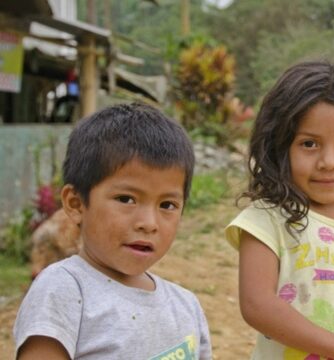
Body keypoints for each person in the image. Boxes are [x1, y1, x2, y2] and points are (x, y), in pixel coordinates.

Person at [13, 103, 212, 359]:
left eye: (167, 205)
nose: (149, 223)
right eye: (126, 199)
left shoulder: (186, 306)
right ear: (75, 204)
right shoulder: (64, 290)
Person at [225, 60, 334, 359]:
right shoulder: (266, 219)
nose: (329, 161)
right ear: (280, 147)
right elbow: (257, 306)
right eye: (310, 144)